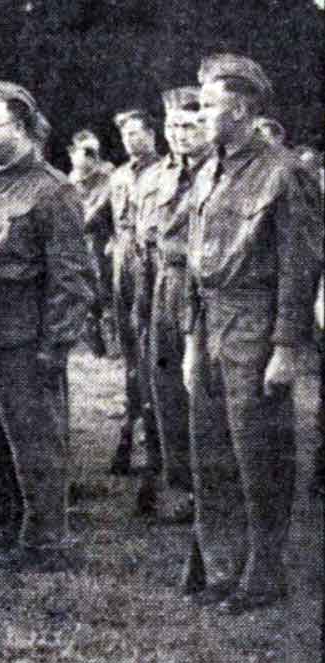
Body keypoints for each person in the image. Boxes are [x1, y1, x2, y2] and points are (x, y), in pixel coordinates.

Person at [182, 54, 321, 615]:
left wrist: (286, 348)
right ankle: (221, 570)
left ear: (239, 111)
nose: (200, 115)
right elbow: (195, 264)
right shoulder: (208, 170)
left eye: (210, 106)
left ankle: (263, 576)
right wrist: (193, 341)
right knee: (210, 453)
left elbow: (298, 266)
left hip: (257, 327)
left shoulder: (285, 172)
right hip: (212, 322)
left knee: (258, 457)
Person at [0, 81, 94, 569]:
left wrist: (56, 344)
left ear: (24, 128)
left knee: (35, 434)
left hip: (22, 325)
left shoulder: (53, 191)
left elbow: (71, 277)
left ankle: (46, 538)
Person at [130, 86, 211, 523]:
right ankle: (177, 483)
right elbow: (146, 242)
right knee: (163, 391)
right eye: (173, 125)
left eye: (190, 124)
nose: (180, 134)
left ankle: (210, 490)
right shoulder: (155, 177)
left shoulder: (219, 173)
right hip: (162, 284)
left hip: (201, 287)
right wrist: (142, 303)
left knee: (201, 389)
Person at [99, 109, 162, 476]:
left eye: (137, 133)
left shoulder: (164, 171)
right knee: (130, 354)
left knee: (149, 352)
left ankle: (150, 438)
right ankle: (132, 427)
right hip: (122, 265)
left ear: (152, 134)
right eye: (125, 135)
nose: (131, 140)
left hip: (148, 266)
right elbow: (105, 218)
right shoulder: (119, 176)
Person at [66, 130, 114, 358]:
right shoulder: (68, 182)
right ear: (72, 153)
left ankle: (109, 344)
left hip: (100, 245)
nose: (91, 157)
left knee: (103, 293)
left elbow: (96, 214)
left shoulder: (109, 179)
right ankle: (92, 343)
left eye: (94, 152)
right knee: (80, 294)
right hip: (76, 246)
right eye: (84, 152)